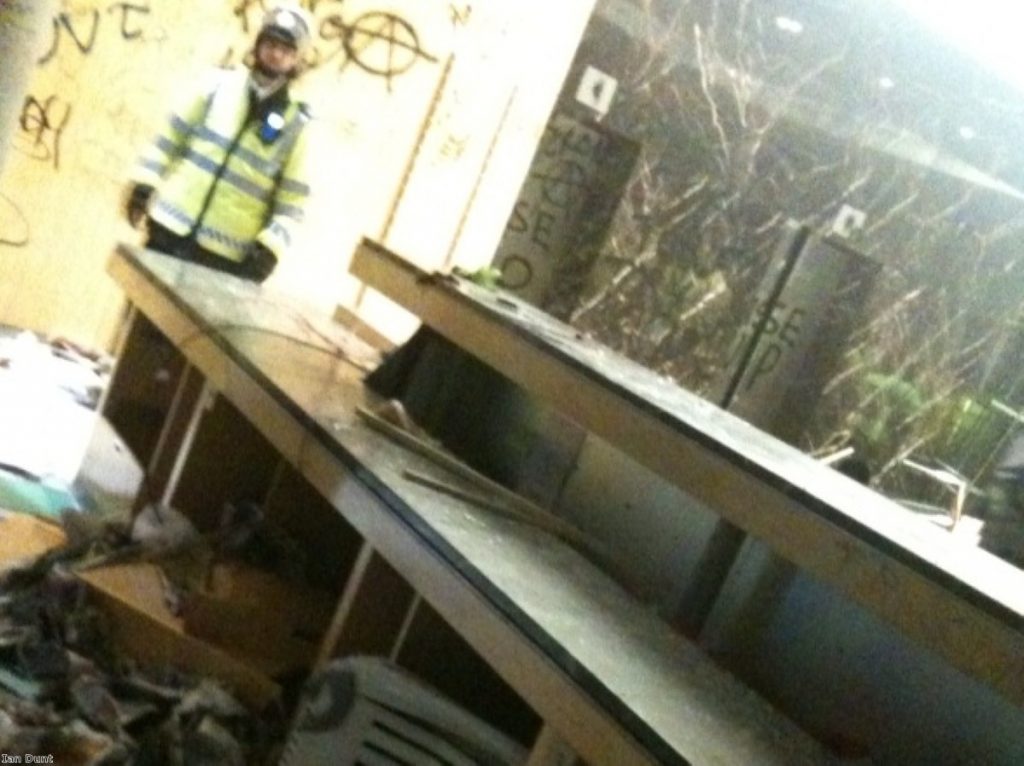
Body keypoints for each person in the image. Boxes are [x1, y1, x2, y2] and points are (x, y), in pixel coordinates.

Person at [125, 3, 314, 283]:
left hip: (224, 256)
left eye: (286, 49)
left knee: (188, 328)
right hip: (169, 227)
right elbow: (170, 137)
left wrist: (271, 249)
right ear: (258, 44)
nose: (275, 54)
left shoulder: (296, 124)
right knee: (141, 316)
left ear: (296, 59)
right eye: (271, 43)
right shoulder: (217, 87)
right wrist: (145, 183)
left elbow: (293, 202)